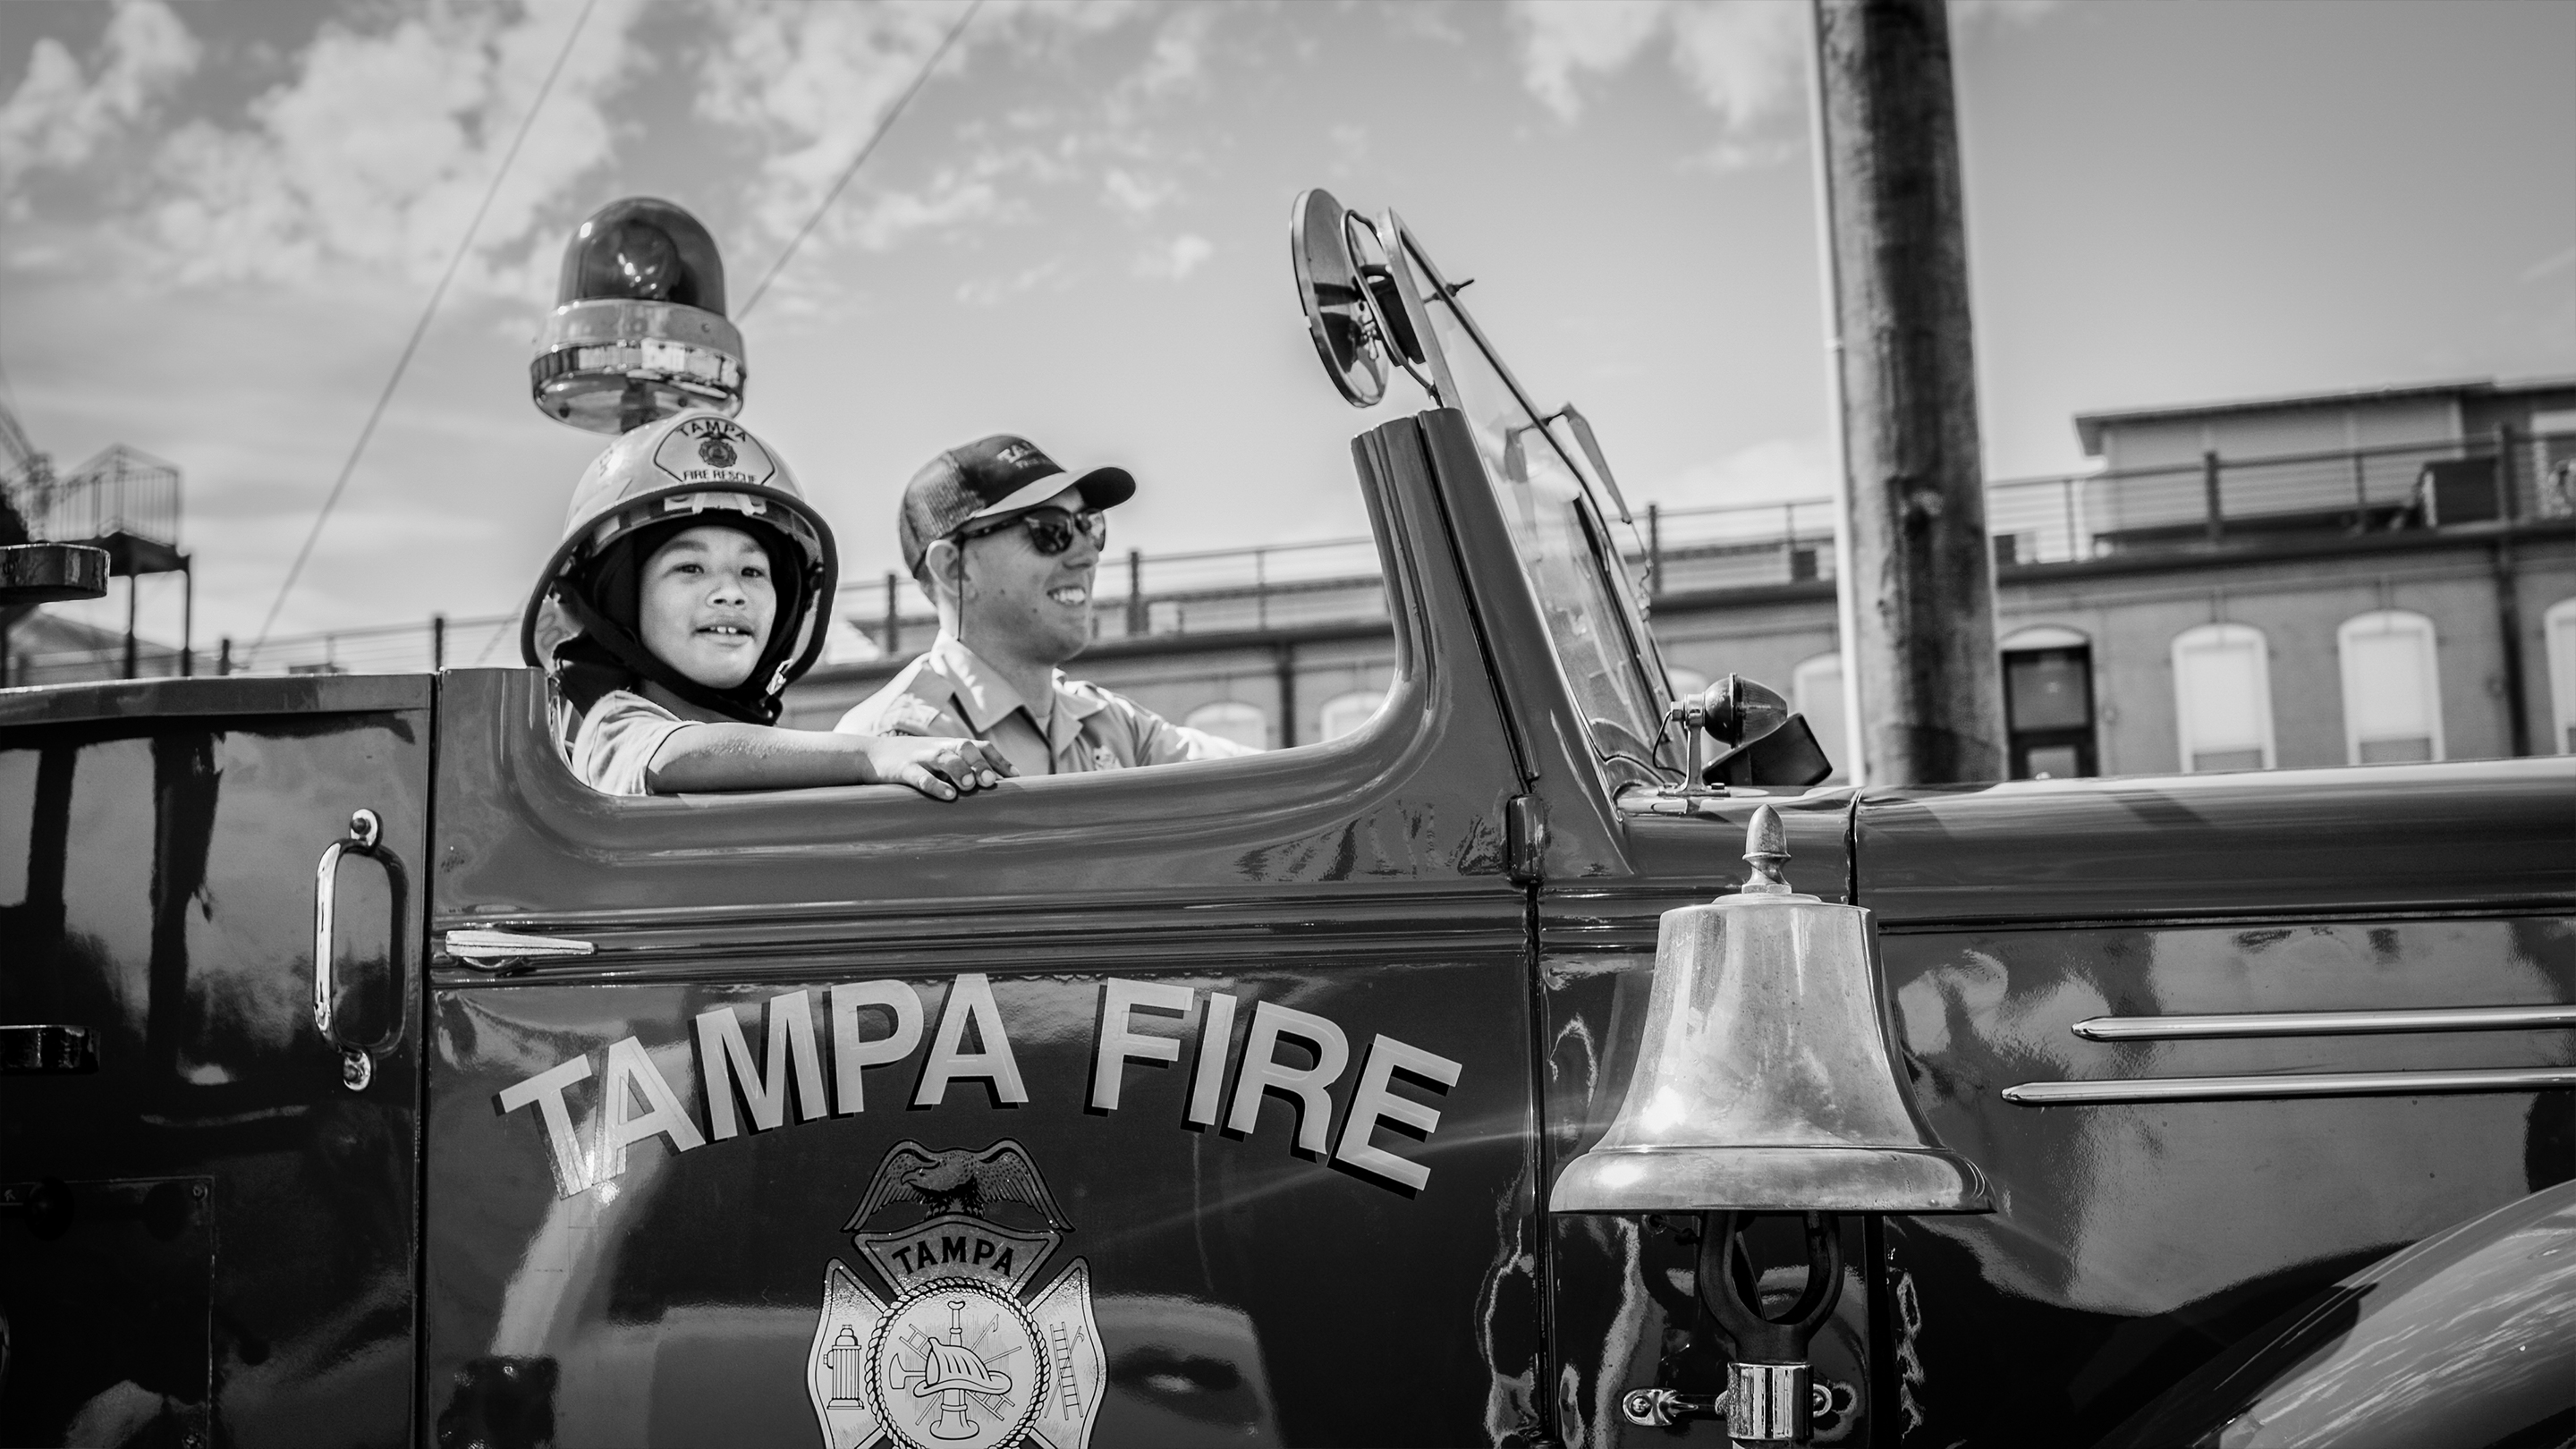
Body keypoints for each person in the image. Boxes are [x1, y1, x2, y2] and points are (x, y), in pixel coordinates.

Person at [520, 410, 1012, 800]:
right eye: (690, 568)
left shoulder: (768, 754)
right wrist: (873, 756)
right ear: (620, 604)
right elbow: (678, 755)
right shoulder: (613, 723)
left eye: (753, 572)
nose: (730, 592)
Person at [836, 434, 1258, 775]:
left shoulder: (1115, 727)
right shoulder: (897, 747)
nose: (1087, 555)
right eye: (1049, 530)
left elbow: (1281, 782)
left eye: (1088, 525)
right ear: (953, 568)